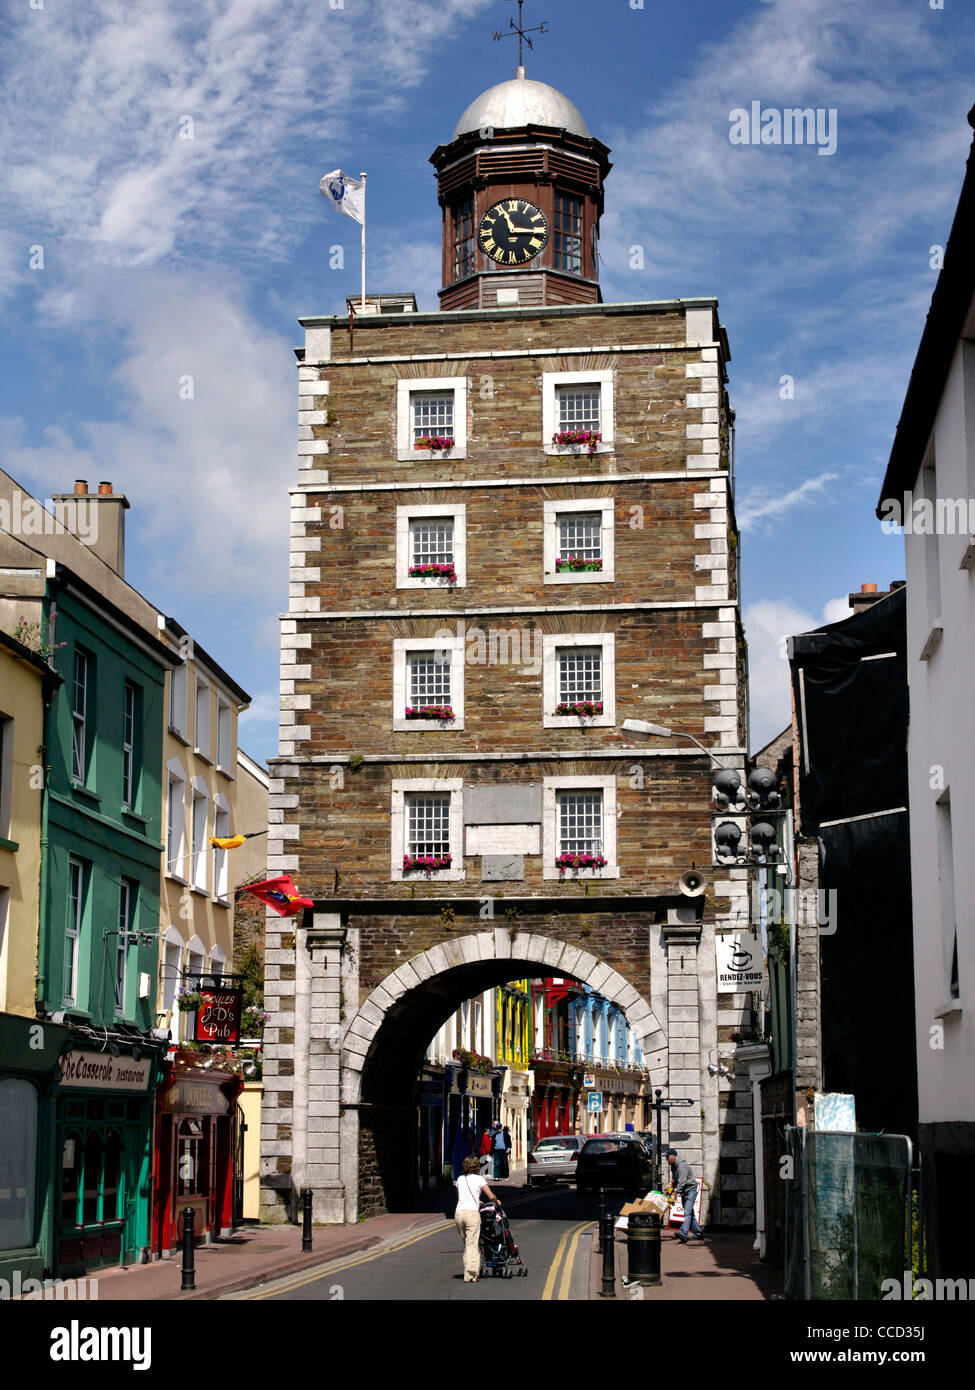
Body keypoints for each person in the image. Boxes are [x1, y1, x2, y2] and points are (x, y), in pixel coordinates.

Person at [454, 1155, 501, 1282]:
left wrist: (477, 1201)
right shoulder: (480, 1179)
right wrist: (497, 1201)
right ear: (477, 1167)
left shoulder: (460, 1179)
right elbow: (491, 1196)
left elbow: (462, 1197)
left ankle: (469, 1270)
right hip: (471, 1214)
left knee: (467, 1244)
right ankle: (471, 1274)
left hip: (459, 1214)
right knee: (472, 1244)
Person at [666, 1147, 704, 1242]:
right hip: (684, 1191)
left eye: (668, 1157)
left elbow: (682, 1182)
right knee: (690, 1213)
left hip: (690, 1190)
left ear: (674, 1156)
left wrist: (674, 1194)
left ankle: (683, 1233)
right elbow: (676, 1180)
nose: (666, 1159)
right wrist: (672, 1188)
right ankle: (698, 1233)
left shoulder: (681, 1166)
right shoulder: (673, 1165)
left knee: (687, 1212)